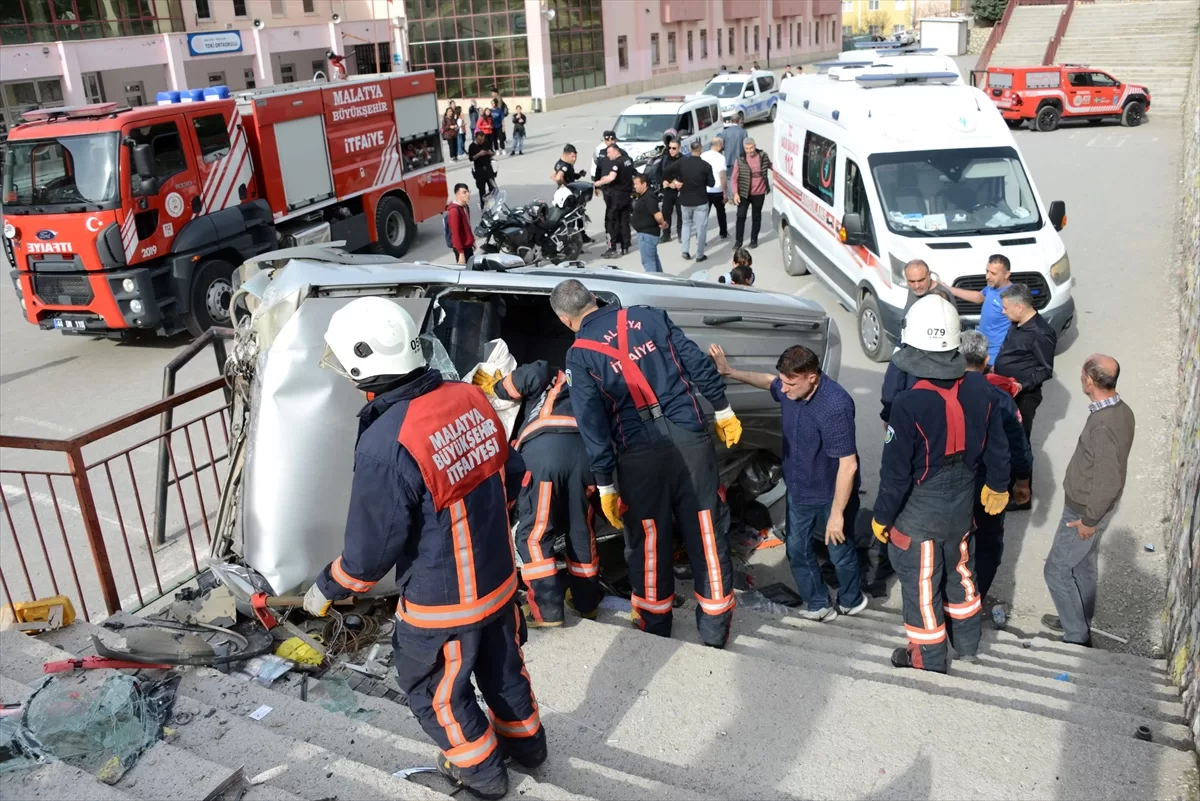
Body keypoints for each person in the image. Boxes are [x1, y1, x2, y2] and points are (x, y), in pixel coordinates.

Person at [303, 298, 545, 800]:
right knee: (502, 671)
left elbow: (369, 555)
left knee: (434, 691)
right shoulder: (469, 398)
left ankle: (481, 774)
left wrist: (327, 587)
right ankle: (529, 747)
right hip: (499, 581)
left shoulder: (388, 442)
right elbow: (513, 473)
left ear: (361, 363)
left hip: (443, 602)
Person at [552, 279, 743, 647]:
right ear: (595, 297)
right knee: (706, 526)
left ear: (565, 320)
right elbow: (696, 363)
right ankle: (715, 629)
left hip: (638, 455)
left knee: (649, 537)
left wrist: (606, 483)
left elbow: (593, 424)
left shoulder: (579, 355)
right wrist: (723, 409)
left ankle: (656, 626)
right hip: (690, 440)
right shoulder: (649, 318)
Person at [871, 295, 1010, 673]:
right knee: (961, 574)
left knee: (921, 587)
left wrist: (882, 516)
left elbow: (896, 475)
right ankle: (967, 645)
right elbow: (999, 445)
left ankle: (928, 660)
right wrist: (998, 484)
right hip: (962, 509)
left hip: (920, 516)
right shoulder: (981, 389)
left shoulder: (907, 404)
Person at [708, 343, 867, 621]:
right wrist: (729, 371)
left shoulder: (835, 406)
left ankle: (852, 600)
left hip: (832, 495)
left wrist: (837, 515)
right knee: (797, 549)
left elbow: (848, 464)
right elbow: (768, 381)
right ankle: (818, 604)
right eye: (783, 381)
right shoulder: (789, 390)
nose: (783, 389)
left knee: (839, 552)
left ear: (812, 378)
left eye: (790, 383)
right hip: (798, 488)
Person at [474, 360, 601, 627]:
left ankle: (547, 611)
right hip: (587, 457)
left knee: (535, 534)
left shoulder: (554, 376)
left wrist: (498, 387)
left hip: (545, 452)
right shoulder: (595, 385)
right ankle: (586, 603)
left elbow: (536, 371)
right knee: (581, 529)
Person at [1042, 355, 1134, 648]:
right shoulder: (1120, 409)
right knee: (1082, 566)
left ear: (1090, 382)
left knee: (1056, 570)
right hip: (1091, 507)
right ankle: (1077, 618)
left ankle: (1076, 636)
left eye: (1083, 375)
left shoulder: (1103, 425)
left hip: (1083, 511)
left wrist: (1089, 521)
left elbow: (1109, 480)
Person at [960, 330, 1032, 606]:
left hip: (953, 482)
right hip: (991, 483)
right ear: (987, 360)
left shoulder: (942, 392)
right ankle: (976, 597)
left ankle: (955, 596)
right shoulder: (1000, 399)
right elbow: (1018, 444)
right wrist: (1022, 479)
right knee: (989, 542)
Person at [994, 281, 1056, 509]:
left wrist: (1021, 385)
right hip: (1005, 392)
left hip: (1023, 397)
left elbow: (1045, 369)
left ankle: (1021, 495)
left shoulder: (1041, 332)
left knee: (1019, 444)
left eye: (1006, 307)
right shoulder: (1017, 324)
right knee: (1006, 442)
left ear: (1020, 307)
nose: (1003, 311)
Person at [880, 260, 960, 422]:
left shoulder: (940, 298)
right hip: (906, 340)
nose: (916, 286)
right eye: (912, 281)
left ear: (929, 276)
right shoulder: (917, 289)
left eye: (921, 280)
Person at [941, 254, 1013, 362]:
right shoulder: (991, 287)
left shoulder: (1012, 296)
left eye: (993, 273)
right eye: (987, 271)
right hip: (982, 353)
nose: (987, 277)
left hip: (996, 358)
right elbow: (979, 297)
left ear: (1006, 274)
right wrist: (948, 289)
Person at [667, 139, 715, 261]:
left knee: (686, 225)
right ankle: (699, 255)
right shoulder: (706, 166)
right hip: (701, 200)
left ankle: (685, 250)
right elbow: (711, 184)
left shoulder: (683, 162)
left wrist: (674, 181)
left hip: (685, 200)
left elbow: (667, 170)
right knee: (701, 228)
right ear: (701, 150)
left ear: (690, 150)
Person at [593, 140, 634, 258]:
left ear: (616, 151)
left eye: (609, 152)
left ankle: (611, 248)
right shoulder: (627, 160)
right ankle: (625, 247)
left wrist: (598, 183)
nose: (608, 155)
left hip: (616, 197)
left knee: (610, 222)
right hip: (626, 195)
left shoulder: (617, 163)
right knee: (624, 221)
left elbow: (611, 177)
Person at [732, 137, 771, 249]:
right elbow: (734, 178)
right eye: (747, 148)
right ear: (744, 148)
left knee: (756, 216)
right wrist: (735, 193)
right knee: (740, 216)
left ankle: (754, 239)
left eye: (751, 147)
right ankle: (738, 241)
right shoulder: (740, 159)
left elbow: (771, 165)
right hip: (744, 193)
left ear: (755, 146)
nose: (750, 150)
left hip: (759, 192)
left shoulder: (763, 156)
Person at [631, 172, 668, 272]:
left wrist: (662, 223)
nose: (635, 187)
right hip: (646, 234)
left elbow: (658, 215)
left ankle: (653, 284)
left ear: (644, 184)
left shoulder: (648, 197)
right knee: (653, 259)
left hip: (647, 235)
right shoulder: (644, 195)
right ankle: (661, 280)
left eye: (637, 184)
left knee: (648, 262)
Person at [656, 135, 684, 242]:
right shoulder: (665, 158)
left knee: (680, 213)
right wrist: (663, 181)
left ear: (679, 148)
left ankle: (681, 233)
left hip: (679, 192)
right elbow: (658, 173)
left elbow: (686, 175)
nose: (671, 150)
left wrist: (676, 183)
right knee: (666, 212)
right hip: (667, 191)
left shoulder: (684, 160)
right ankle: (666, 234)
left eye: (674, 148)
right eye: (669, 148)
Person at [701, 137, 729, 240]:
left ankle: (700, 237)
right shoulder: (720, 157)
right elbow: (722, 176)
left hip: (705, 191)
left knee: (704, 216)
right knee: (721, 212)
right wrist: (725, 193)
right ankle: (723, 232)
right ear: (719, 145)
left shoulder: (703, 155)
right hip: (717, 190)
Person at [468, 131, 497, 211]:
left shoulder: (486, 143)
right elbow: (471, 158)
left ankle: (493, 204)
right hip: (479, 170)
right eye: (480, 140)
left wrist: (490, 153)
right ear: (476, 138)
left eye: (482, 140)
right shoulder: (472, 146)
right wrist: (479, 154)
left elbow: (493, 152)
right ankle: (483, 206)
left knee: (492, 187)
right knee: (482, 190)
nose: (481, 142)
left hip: (488, 168)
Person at [447, 183, 475, 265]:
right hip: (462, 249)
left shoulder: (465, 207)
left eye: (468, 191)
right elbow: (455, 234)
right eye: (464, 192)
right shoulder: (454, 211)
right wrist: (461, 254)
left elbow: (468, 226)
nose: (468, 194)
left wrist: (472, 240)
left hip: (468, 246)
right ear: (457, 194)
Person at [721, 111, 748, 186]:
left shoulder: (725, 132)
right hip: (740, 160)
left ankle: (731, 195)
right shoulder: (743, 132)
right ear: (739, 121)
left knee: (729, 179)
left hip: (728, 160)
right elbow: (746, 146)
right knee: (739, 179)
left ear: (730, 121)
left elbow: (722, 146)